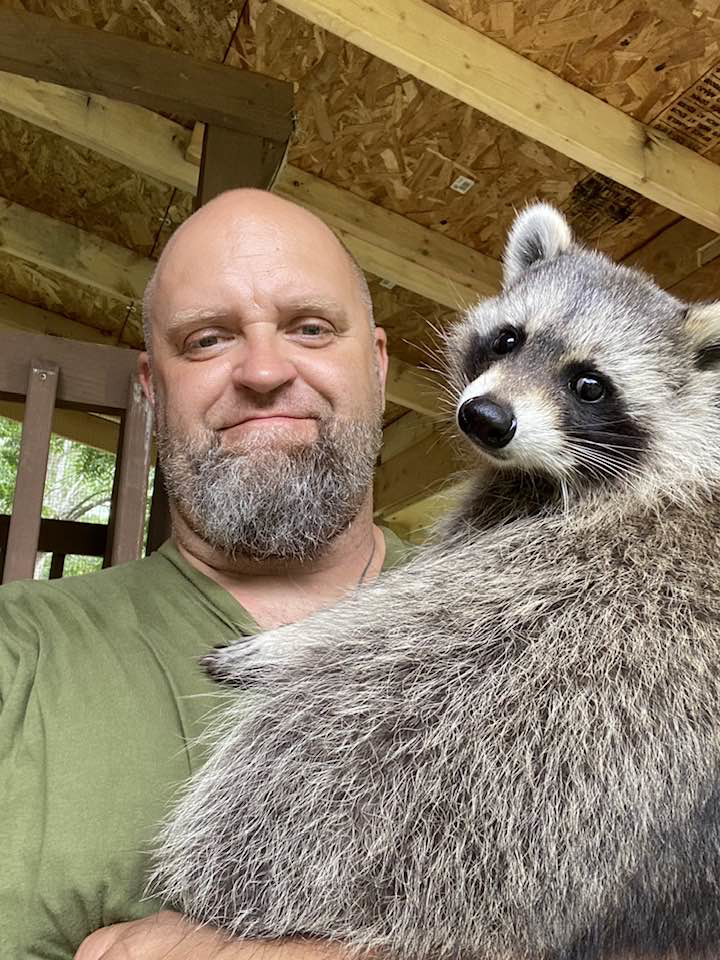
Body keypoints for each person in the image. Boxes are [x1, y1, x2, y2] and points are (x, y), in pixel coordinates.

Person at [0, 189, 414, 960]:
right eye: (206, 340)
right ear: (152, 389)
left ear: (380, 366)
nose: (262, 369)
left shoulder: (566, 624)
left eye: (310, 328)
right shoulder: (18, 649)